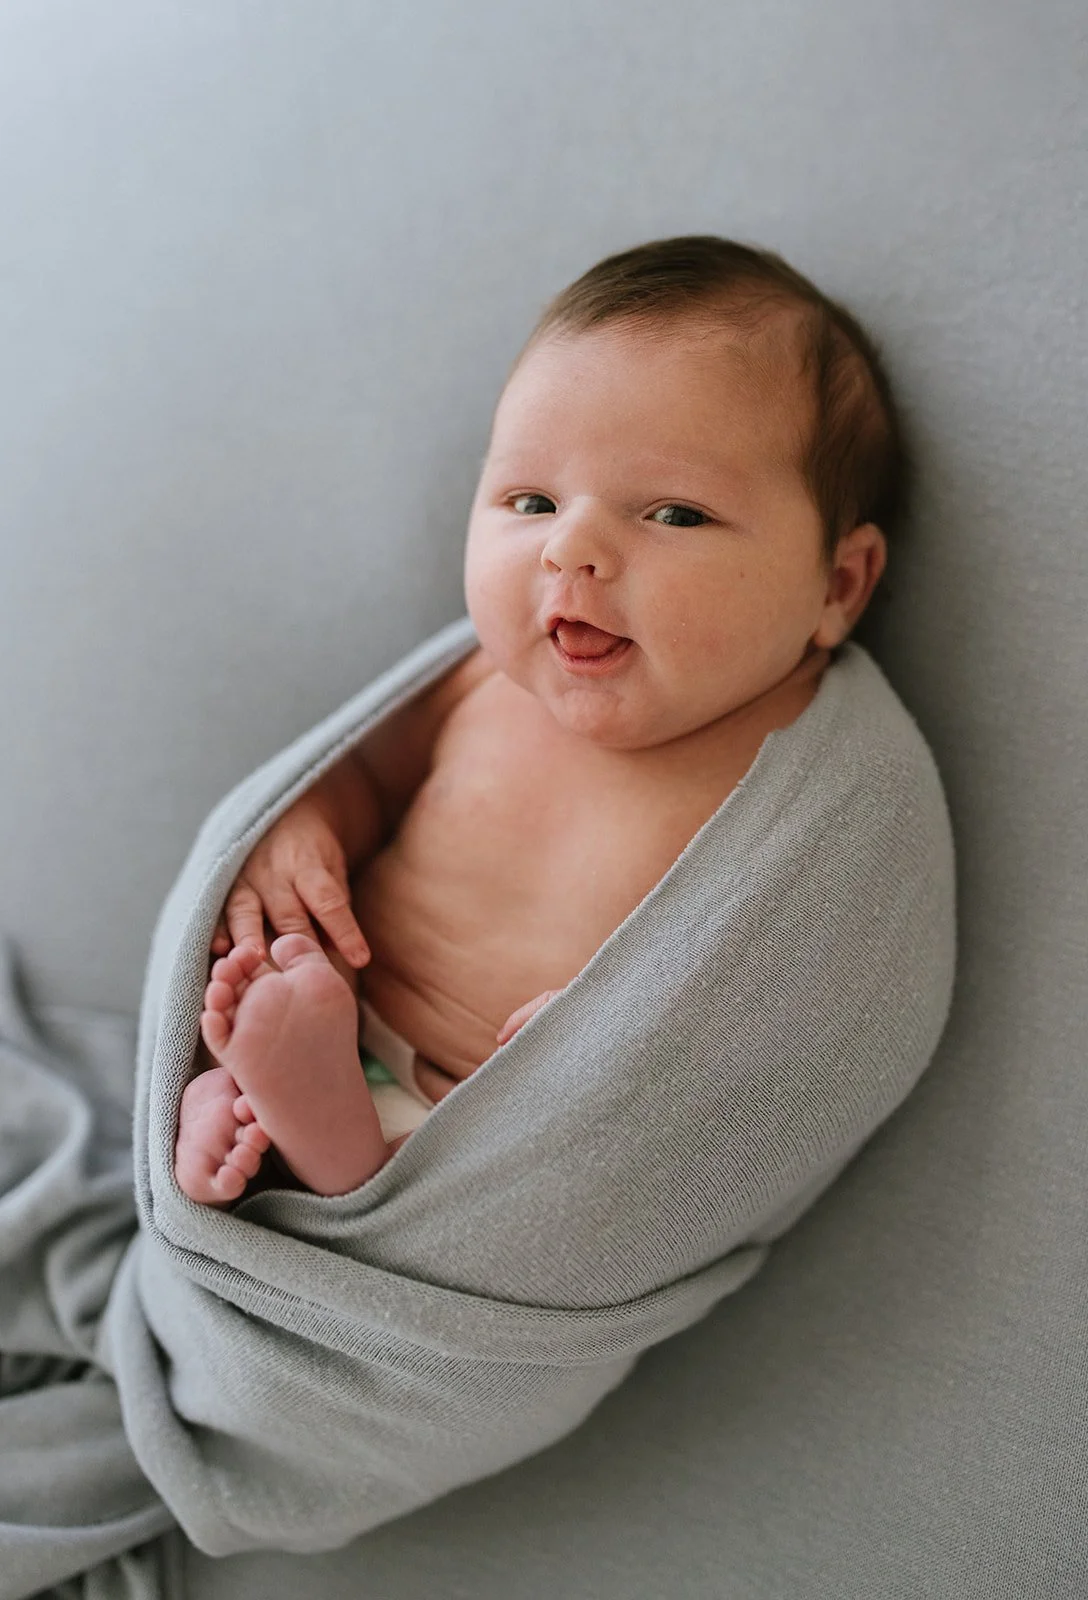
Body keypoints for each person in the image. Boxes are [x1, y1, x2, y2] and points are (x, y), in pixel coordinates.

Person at [173, 234, 902, 1205]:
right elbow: (366, 776)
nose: (572, 547)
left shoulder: (803, 786)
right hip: (335, 999)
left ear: (836, 584)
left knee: (488, 1168)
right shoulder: (484, 678)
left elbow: (794, 1012)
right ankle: (253, 1092)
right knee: (268, 974)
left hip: (480, 1113)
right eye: (530, 499)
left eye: (674, 514)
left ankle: (327, 1141)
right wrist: (304, 830)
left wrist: (613, 1054)